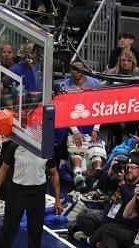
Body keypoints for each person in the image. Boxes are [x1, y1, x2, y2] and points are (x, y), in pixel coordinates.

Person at [0, 143, 62, 248]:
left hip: (37, 193)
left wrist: (57, 200)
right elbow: (4, 169)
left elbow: (54, 173)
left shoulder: (47, 148)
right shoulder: (15, 146)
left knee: (35, 233)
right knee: (8, 231)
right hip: (17, 192)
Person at [61, 60, 103, 191]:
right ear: (70, 71)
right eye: (74, 69)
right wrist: (75, 131)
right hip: (74, 122)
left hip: (91, 122)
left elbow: (100, 109)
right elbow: (65, 112)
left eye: (80, 69)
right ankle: (77, 173)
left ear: (85, 69)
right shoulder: (64, 86)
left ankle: (98, 174)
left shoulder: (95, 84)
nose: (77, 72)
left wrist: (96, 129)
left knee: (97, 149)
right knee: (76, 147)